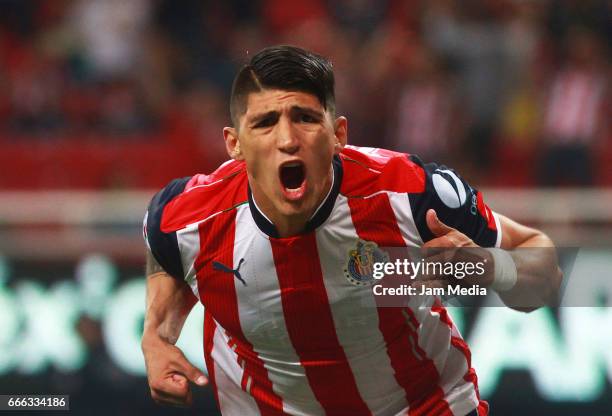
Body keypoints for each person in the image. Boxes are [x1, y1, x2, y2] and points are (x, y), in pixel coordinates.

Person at [141, 45, 561, 415]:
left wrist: (489, 269)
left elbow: (544, 275)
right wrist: (156, 336)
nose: (287, 139)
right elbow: (164, 255)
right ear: (234, 144)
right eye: (265, 122)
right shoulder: (186, 216)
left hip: (420, 407)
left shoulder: (413, 194)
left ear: (338, 133)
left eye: (304, 118)